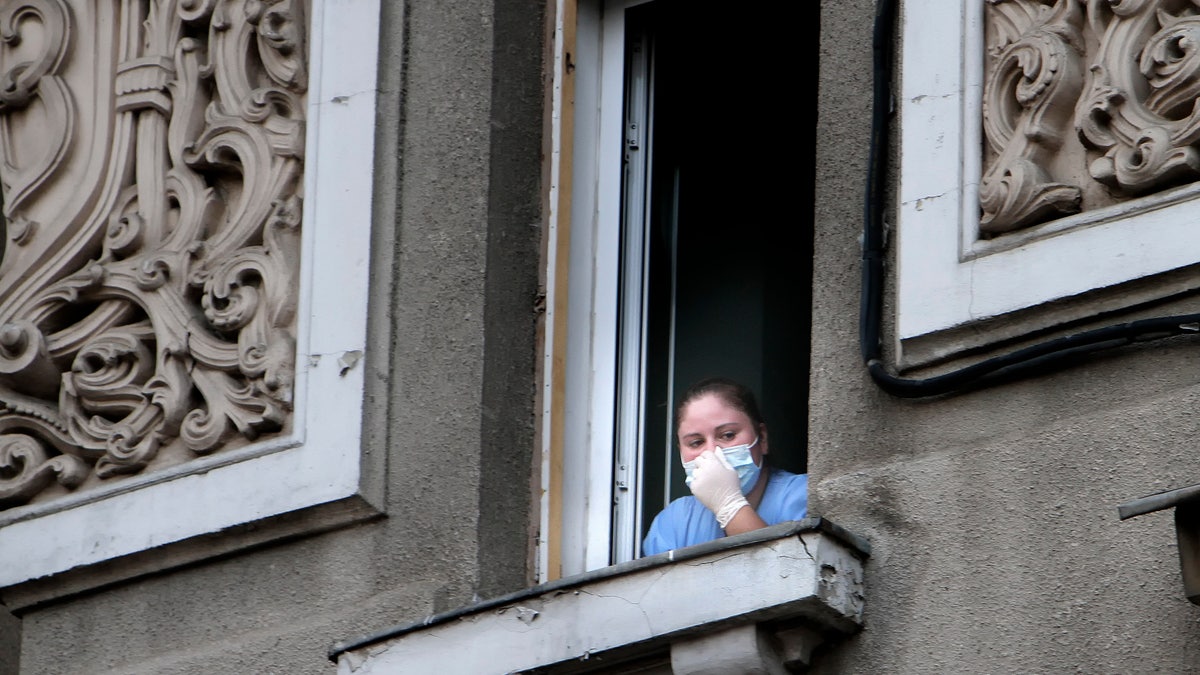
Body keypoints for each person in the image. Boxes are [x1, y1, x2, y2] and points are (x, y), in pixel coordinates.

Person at [642, 377, 808, 556]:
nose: (712, 452)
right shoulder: (673, 522)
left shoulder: (804, 495)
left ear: (762, 437)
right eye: (696, 442)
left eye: (728, 435)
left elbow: (791, 574)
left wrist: (729, 506)